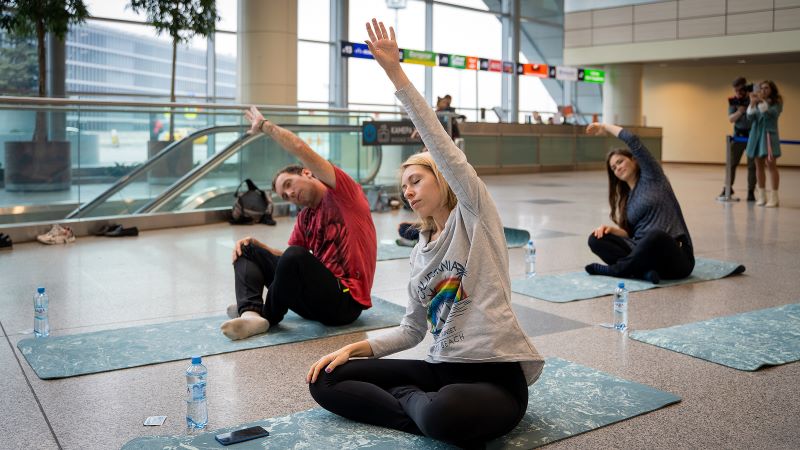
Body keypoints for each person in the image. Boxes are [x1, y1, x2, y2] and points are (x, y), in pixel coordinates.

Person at [307, 19, 544, 447]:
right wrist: (355, 348)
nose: (409, 192)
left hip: (495, 378)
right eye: (403, 188)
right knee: (327, 379)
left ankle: (412, 404)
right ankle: (418, 405)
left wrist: (394, 72)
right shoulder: (420, 252)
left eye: (417, 181)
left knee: (446, 414)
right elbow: (413, 330)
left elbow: (443, 146)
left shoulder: (475, 216)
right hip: (440, 369)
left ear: (442, 179)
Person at [219, 106, 377, 340]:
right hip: (314, 302)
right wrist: (257, 246)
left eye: (289, 185)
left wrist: (265, 126)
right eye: (284, 195)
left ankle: (267, 316)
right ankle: (251, 313)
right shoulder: (305, 217)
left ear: (307, 173)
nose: (290, 194)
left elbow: (301, 149)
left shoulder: (343, 193)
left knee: (295, 255)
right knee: (248, 249)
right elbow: (288, 263)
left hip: (344, 302)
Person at [584, 122, 694, 284]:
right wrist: (613, 231)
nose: (617, 168)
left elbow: (633, 140)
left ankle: (617, 270)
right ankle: (644, 273)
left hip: (676, 257)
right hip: (647, 256)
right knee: (595, 239)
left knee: (655, 235)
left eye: (620, 162)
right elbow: (634, 235)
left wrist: (605, 126)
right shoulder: (628, 199)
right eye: (614, 168)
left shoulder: (653, 177)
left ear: (634, 160)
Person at [745, 80, 783, 208]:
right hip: (757, 136)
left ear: (772, 90)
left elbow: (771, 113)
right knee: (758, 166)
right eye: (761, 88)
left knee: (771, 165)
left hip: (768, 136)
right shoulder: (757, 102)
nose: (763, 90)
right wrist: (752, 104)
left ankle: (774, 197)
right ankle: (762, 196)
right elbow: (750, 118)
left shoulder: (777, 102)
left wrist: (761, 102)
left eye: (766, 88)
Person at [720, 77, 756, 201]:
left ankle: (751, 191)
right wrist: (740, 111)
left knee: (752, 165)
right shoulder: (734, 101)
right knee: (731, 164)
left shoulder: (753, 98)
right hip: (738, 136)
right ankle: (727, 188)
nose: (738, 93)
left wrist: (752, 100)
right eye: (735, 90)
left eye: (740, 90)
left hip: (753, 135)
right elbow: (731, 119)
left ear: (745, 87)